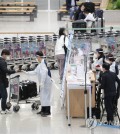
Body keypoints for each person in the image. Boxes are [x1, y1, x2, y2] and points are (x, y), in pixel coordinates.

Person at [24, 51, 52, 117]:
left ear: (39, 57)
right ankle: (43, 110)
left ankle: (47, 111)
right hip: (43, 83)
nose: (36, 58)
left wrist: (42, 82)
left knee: (46, 97)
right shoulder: (40, 64)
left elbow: (44, 73)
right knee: (42, 97)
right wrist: (27, 72)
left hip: (46, 83)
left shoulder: (43, 64)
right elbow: (35, 72)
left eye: (36, 57)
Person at [0, 49, 17, 114]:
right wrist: (14, 71)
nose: (8, 57)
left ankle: (4, 108)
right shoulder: (2, 61)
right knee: (4, 95)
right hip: (1, 81)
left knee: (1, 95)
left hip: (1, 80)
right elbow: (5, 70)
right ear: (4, 54)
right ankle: (3, 110)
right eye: (7, 55)